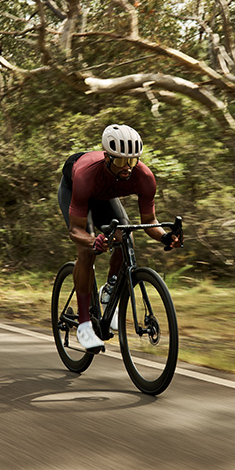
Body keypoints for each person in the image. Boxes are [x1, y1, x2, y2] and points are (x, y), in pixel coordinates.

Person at [57, 124, 183, 351]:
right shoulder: (86, 174)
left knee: (126, 240)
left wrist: (166, 238)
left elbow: (150, 223)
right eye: (120, 162)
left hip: (104, 195)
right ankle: (84, 325)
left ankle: (109, 290)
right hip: (76, 189)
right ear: (107, 157)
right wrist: (92, 241)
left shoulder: (144, 177)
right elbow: (75, 231)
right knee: (87, 251)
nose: (127, 168)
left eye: (132, 161)